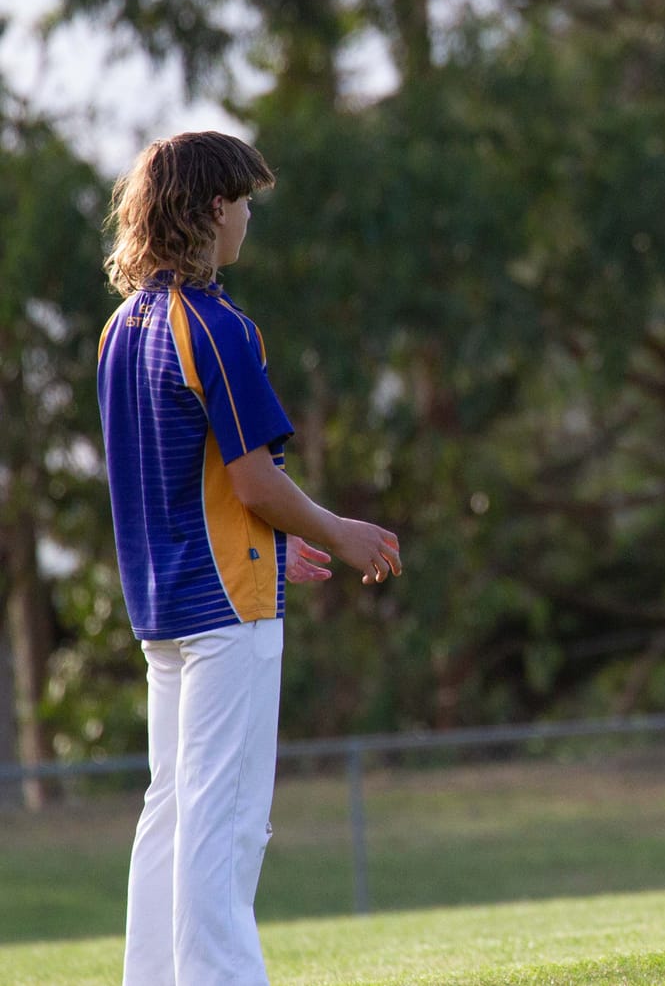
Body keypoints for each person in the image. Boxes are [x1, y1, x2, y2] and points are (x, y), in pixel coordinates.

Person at [97, 131, 403, 986]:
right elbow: (253, 477)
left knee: (170, 811)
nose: (249, 218)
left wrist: (280, 540)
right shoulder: (219, 325)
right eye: (245, 202)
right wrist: (339, 529)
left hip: (161, 609)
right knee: (223, 823)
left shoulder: (121, 328)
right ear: (210, 210)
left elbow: (186, 480)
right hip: (227, 608)